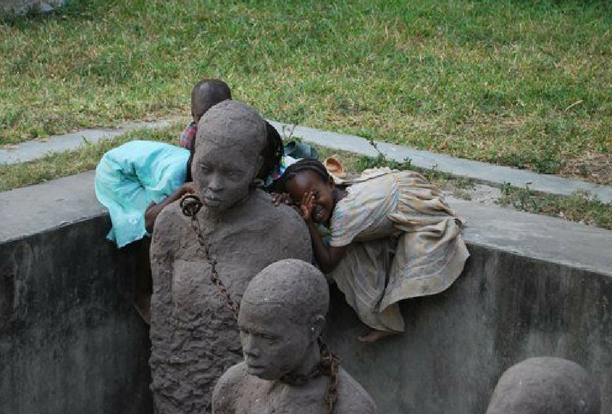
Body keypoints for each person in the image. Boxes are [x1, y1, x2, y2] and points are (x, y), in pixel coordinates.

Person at [149, 101, 312, 414]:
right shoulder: (171, 224)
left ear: (255, 167)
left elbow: (299, 335)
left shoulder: (284, 230)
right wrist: (171, 392)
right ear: (193, 155)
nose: (213, 186)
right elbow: (163, 327)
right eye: (205, 168)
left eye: (231, 173)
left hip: (253, 396)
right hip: (179, 389)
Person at [275, 159, 469, 343]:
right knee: (351, 252)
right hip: (402, 185)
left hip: (417, 205)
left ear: (331, 184)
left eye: (315, 196)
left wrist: (308, 221)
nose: (311, 206)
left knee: (346, 263)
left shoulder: (344, 215)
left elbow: (328, 264)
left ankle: (384, 320)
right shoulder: (341, 195)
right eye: (303, 203)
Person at [212, 259, 379, 414]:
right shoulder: (232, 386)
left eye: (269, 338)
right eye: (245, 331)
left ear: (314, 328)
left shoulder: (350, 407)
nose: (250, 349)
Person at [179, 78, 232, 151]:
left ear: (231, 110)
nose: (209, 124)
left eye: (217, 117)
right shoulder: (189, 138)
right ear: (192, 113)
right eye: (202, 118)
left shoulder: (241, 130)